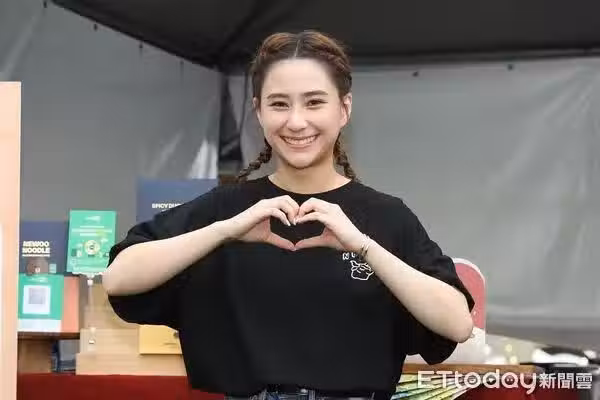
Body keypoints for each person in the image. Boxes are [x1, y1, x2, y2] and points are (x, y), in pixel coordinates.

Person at [102, 30, 475, 400]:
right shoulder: (226, 209)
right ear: (258, 111)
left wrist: (364, 246)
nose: (296, 122)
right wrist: (223, 231)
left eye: (314, 102)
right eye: (279, 104)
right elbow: (118, 278)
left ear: (344, 108)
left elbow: (457, 324)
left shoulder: (387, 216)